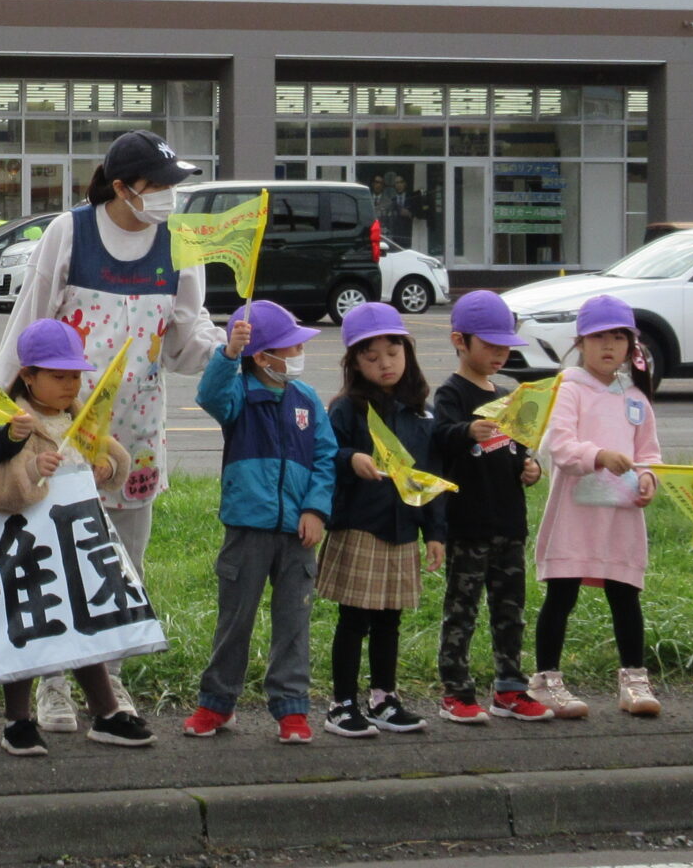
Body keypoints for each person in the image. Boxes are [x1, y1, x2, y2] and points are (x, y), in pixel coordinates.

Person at [0, 130, 219, 742]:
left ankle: (110, 683)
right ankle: (53, 682)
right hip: (58, 438)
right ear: (121, 187)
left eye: (174, 185)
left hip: (136, 438)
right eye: (159, 185)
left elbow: (183, 344)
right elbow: (27, 326)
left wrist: (227, 345)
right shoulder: (69, 233)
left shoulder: (179, 243)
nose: (170, 196)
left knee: (123, 566)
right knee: (53, 559)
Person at [0, 317, 126, 756]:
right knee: (24, 631)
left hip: (76, 545)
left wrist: (108, 468)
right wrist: (30, 470)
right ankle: (17, 722)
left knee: (84, 627)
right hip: (27, 551)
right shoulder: (12, 422)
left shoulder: (78, 415)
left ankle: (106, 713)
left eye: (75, 375)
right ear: (28, 375)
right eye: (58, 376)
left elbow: (113, 454)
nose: (70, 385)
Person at [182, 300, 332, 745]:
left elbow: (326, 457)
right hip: (247, 529)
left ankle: (291, 707)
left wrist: (315, 509)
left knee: (293, 623)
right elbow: (210, 395)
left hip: (298, 535)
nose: (299, 353)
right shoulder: (239, 395)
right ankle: (217, 702)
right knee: (235, 620)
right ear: (263, 358)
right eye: (291, 347)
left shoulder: (307, 400)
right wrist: (229, 353)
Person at [531, 292, 664, 719]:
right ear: (580, 342)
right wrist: (600, 456)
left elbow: (650, 453)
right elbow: (560, 446)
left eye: (618, 338)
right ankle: (545, 680)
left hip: (621, 515)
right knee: (562, 592)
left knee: (625, 593)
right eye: (598, 337)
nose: (609, 346)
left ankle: (634, 680)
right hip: (576, 515)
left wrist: (649, 477)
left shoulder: (636, 397)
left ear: (631, 345)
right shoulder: (569, 389)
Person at [318, 302, 444, 739]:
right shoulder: (346, 409)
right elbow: (324, 455)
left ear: (408, 351)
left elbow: (428, 474)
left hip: (403, 529)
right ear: (354, 363)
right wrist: (350, 458)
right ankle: (342, 703)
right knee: (354, 620)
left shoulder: (420, 412)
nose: (385, 364)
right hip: (361, 527)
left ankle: (383, 698)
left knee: (391, 619)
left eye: (393, 352)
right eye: (371, 357)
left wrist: (435, 532)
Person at [426, 290, 550, 725]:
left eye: (506, 346)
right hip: (468, 524)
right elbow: (439, 439)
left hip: (509, 524)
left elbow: (519, 451)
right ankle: (455, 691)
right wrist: (466, 431)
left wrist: (530, 468)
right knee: (462, 611)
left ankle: (510, 688)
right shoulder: (450, 394)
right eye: (490, 345)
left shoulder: (509, 395)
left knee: (510, 612)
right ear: (459, 341)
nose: (500, 354)